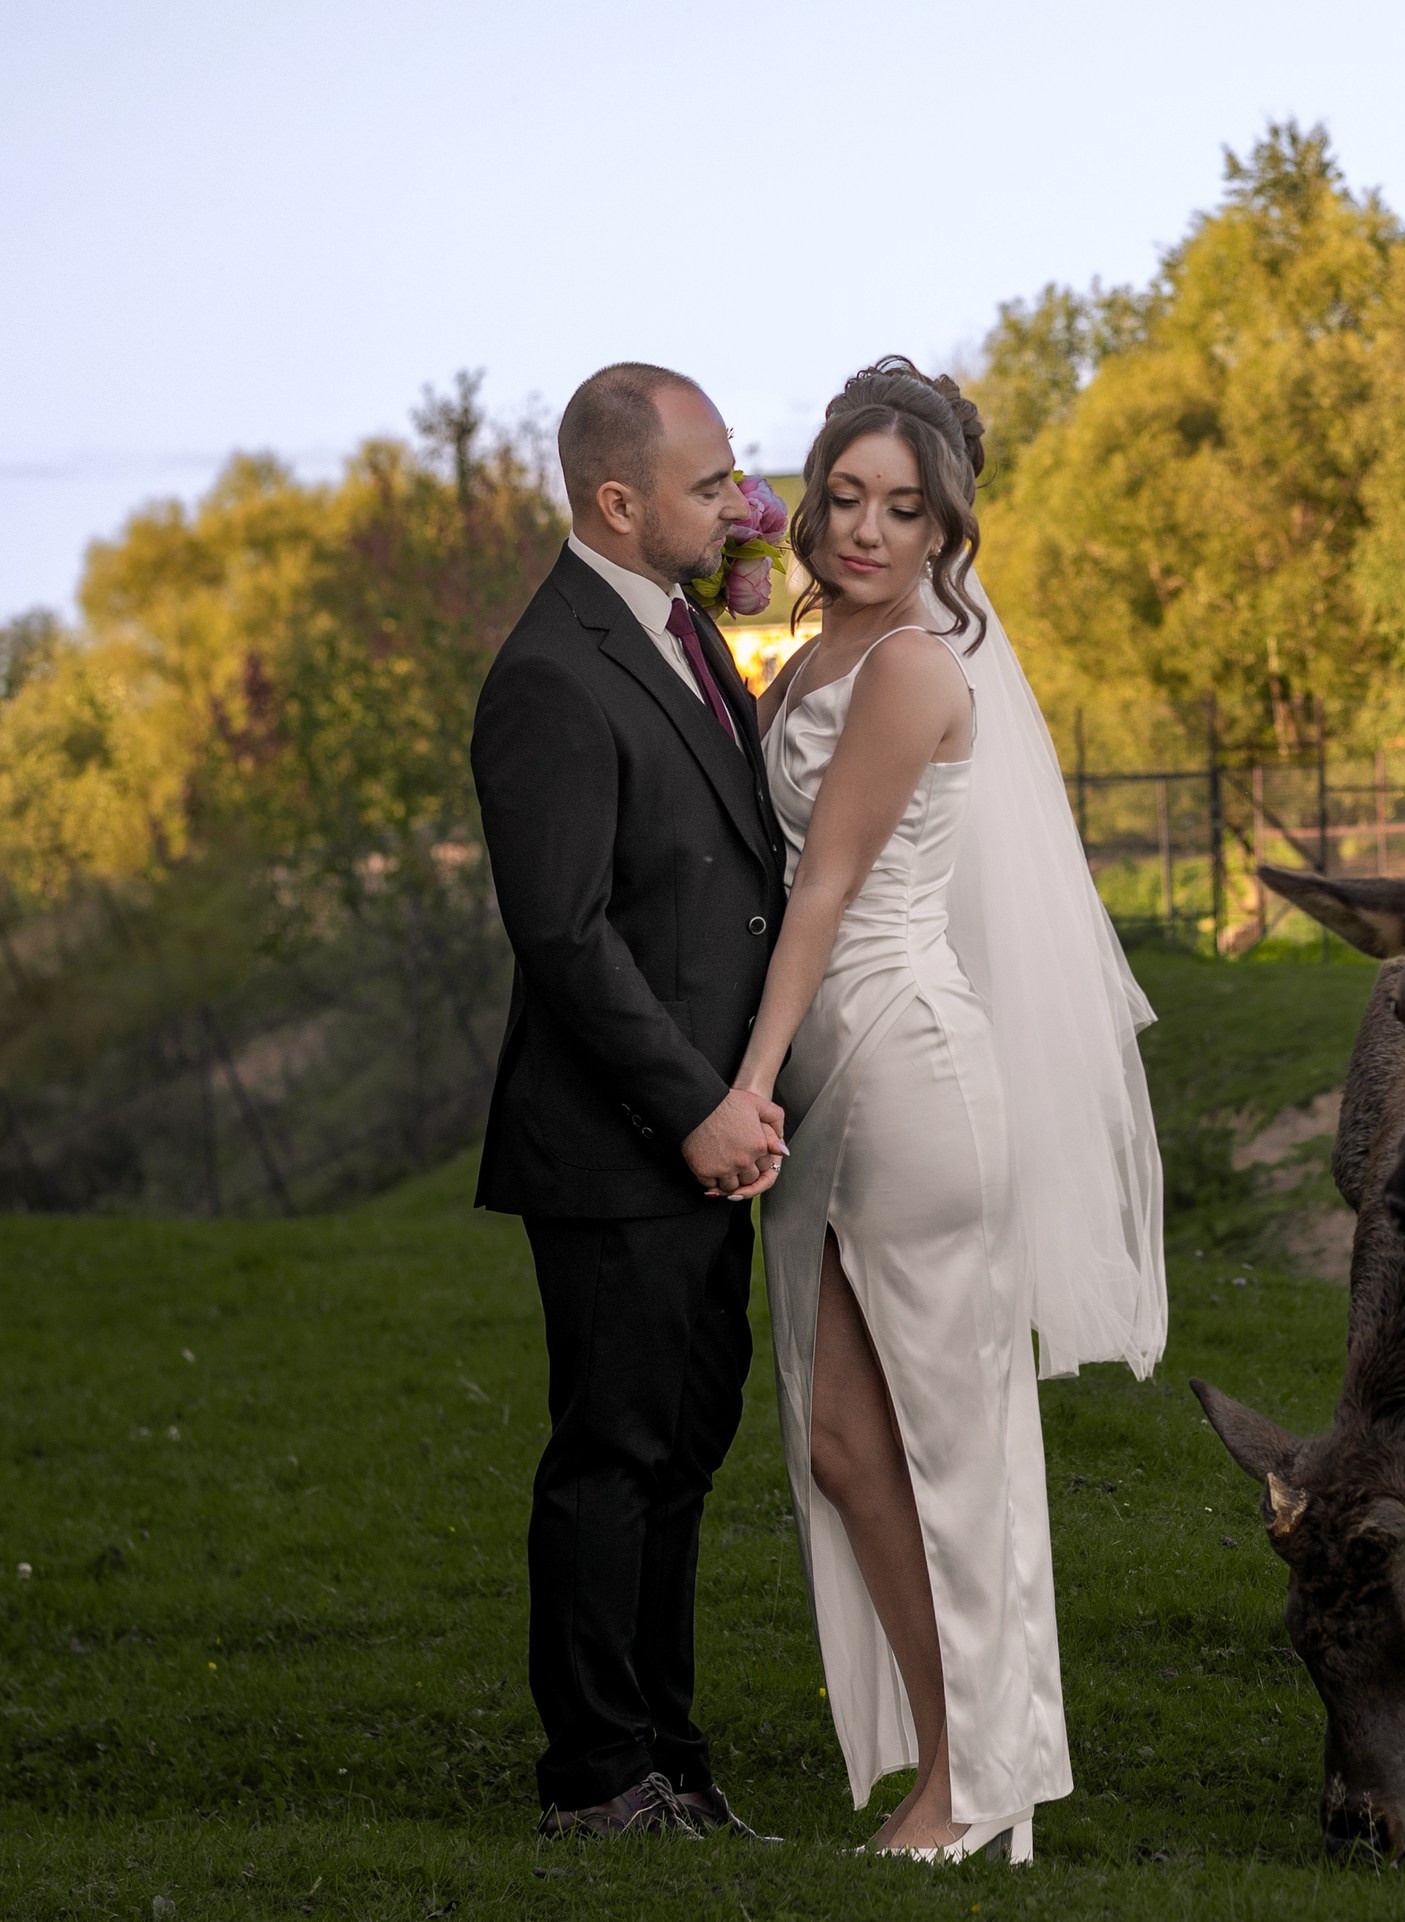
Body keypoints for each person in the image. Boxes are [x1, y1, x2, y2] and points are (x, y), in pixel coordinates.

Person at [738, 358, 1165, 1864]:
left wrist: (742, 1085)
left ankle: (987, 1784)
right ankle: (949, 1756)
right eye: (841, 496)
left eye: (901, 508)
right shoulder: (822, 642)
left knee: (957, 1448)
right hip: (827, 1074)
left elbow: (825, 890)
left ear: (943, 531)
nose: (862, 528)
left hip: (903, 1067)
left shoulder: (917, 664)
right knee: (848, 1447)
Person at [471, 363, 789, 1839]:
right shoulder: (549, 672)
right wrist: (697, 1107)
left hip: (707, 1138)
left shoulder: (676, 628)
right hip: (620, 1145)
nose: (744, 500)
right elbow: (566, 935)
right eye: (713, 481)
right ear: (618, 500)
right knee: (612, 1460)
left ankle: (670, 1750)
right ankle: (595, 1777)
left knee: (681, 1451)